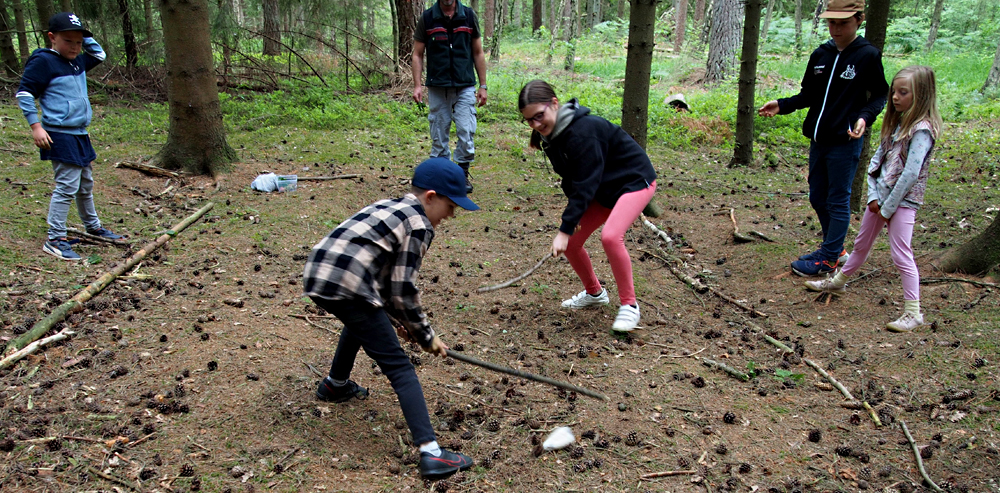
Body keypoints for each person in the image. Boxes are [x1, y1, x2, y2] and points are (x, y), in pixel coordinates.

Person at [302, 158, 478, 478]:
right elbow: (402, 289)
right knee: (399, 367)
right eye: (450, 206)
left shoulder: (392, 206)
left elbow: (383, 288)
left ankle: (335, 384)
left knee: (363, 319)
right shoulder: (420, 224)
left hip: (319, 273)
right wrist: (425, 335)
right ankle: (432, 453)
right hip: (348, 283)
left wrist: (401, 323)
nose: (451, 215)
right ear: (431, 197)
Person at [805, 66, 942, 333]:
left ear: (921, 95)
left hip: (901, 204)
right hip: (880, 200)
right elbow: (877, 161)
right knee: (861, 244)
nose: (895, 97)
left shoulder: (922, 130)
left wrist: (889, 207)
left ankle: (913, 312)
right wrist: (874, 196)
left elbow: (911, 172)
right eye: (894, 92)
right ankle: (839, 282)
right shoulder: (897, 123)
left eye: (903, 92)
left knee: (902, 254)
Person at [757, 0, 888, 276]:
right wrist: (782, 105)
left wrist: (864, 117)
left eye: (843, 23)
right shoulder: (821, 54)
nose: (836, 29)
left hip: (845, 141)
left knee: (837, 200)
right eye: (832, 23)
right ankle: (836, 248)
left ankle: (828, 259)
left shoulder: (867, 56)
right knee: (817, 196)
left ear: (859, 20)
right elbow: (810, 94)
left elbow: (879, 95)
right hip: (819, 140)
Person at [518, 80, 657, 333]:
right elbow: (572, 179)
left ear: (555, 104)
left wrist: (565, 226)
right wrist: (570, 227)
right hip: (603, 189)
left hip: (634, 182)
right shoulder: (550, 136)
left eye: (540, 116)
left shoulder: (583, 131)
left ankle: (630, 306)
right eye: (530, 120)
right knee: (572, 243)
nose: (536, 125)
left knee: (611, 237)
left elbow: (585, 183)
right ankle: (595, 293)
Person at [17, 12, 124, 261]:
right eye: (69, 41)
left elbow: (99, 55)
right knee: (67, 186)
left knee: (85, 183)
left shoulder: (76, 61)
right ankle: (55, 238)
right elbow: (24, 94)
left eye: (78, 42)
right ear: (52, 38)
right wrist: (35, 126)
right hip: (58, 134)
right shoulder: (43, 62)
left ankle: (93, 226)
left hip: (80, 133)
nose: (75, 47)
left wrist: (84, 38)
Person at [412, 0, 488, 194]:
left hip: (465, 85)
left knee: (466, 130)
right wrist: (417, 85)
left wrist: (483, 85)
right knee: (438, 132)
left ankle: (461, 174)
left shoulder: (469, 16)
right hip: (438, 86)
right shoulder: (428, 18)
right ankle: (441, 176)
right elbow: (418, 54)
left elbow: (478, 52)